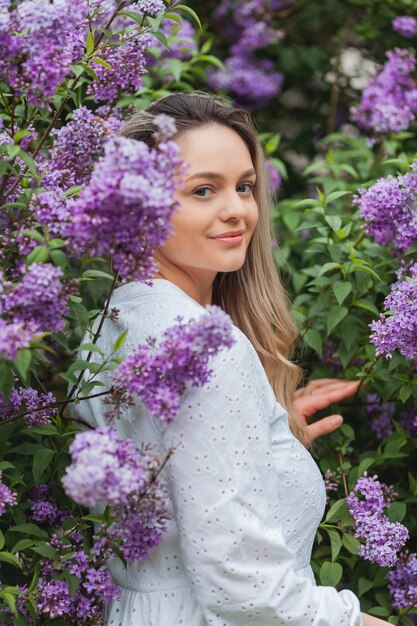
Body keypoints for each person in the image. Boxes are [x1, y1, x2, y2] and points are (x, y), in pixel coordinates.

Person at [74, 92, 392, 626]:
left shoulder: (117, 321)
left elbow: (182, 483)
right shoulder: (201, 346)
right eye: (203, 190)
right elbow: (242, 586)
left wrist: (266, 446)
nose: (238, 210)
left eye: (245, 186)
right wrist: (355, 621)